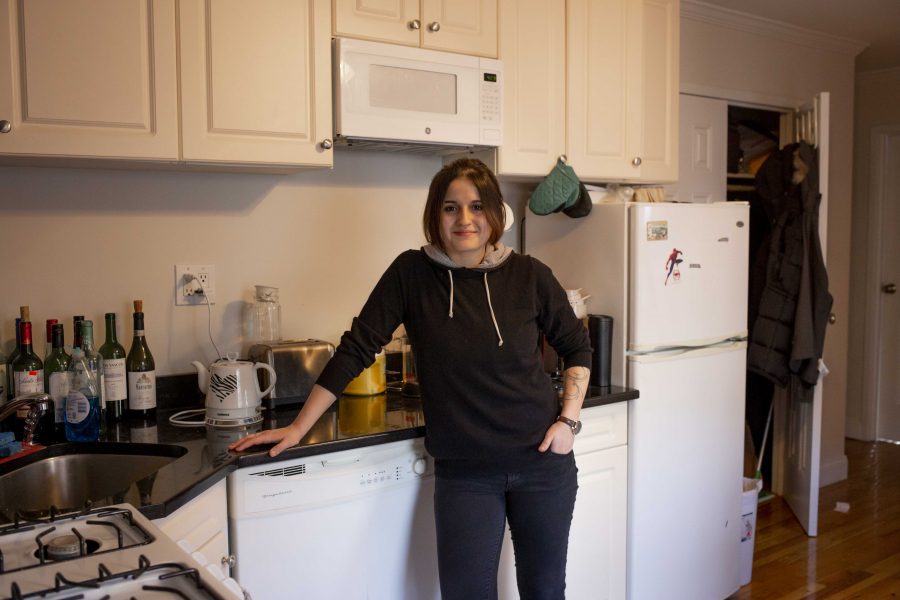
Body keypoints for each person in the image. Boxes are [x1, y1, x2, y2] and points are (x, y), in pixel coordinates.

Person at [230, 158, 592, 599]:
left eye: (477, 207)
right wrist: (298, 426)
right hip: (466, 474)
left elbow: (576, 346)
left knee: (545, 591)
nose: (465, 220)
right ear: (434, 216)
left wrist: (568, 422)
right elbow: (357, 347)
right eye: (450, 208)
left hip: (542, 464)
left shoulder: (530, 275)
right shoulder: (411, 274)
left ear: (495, 213)